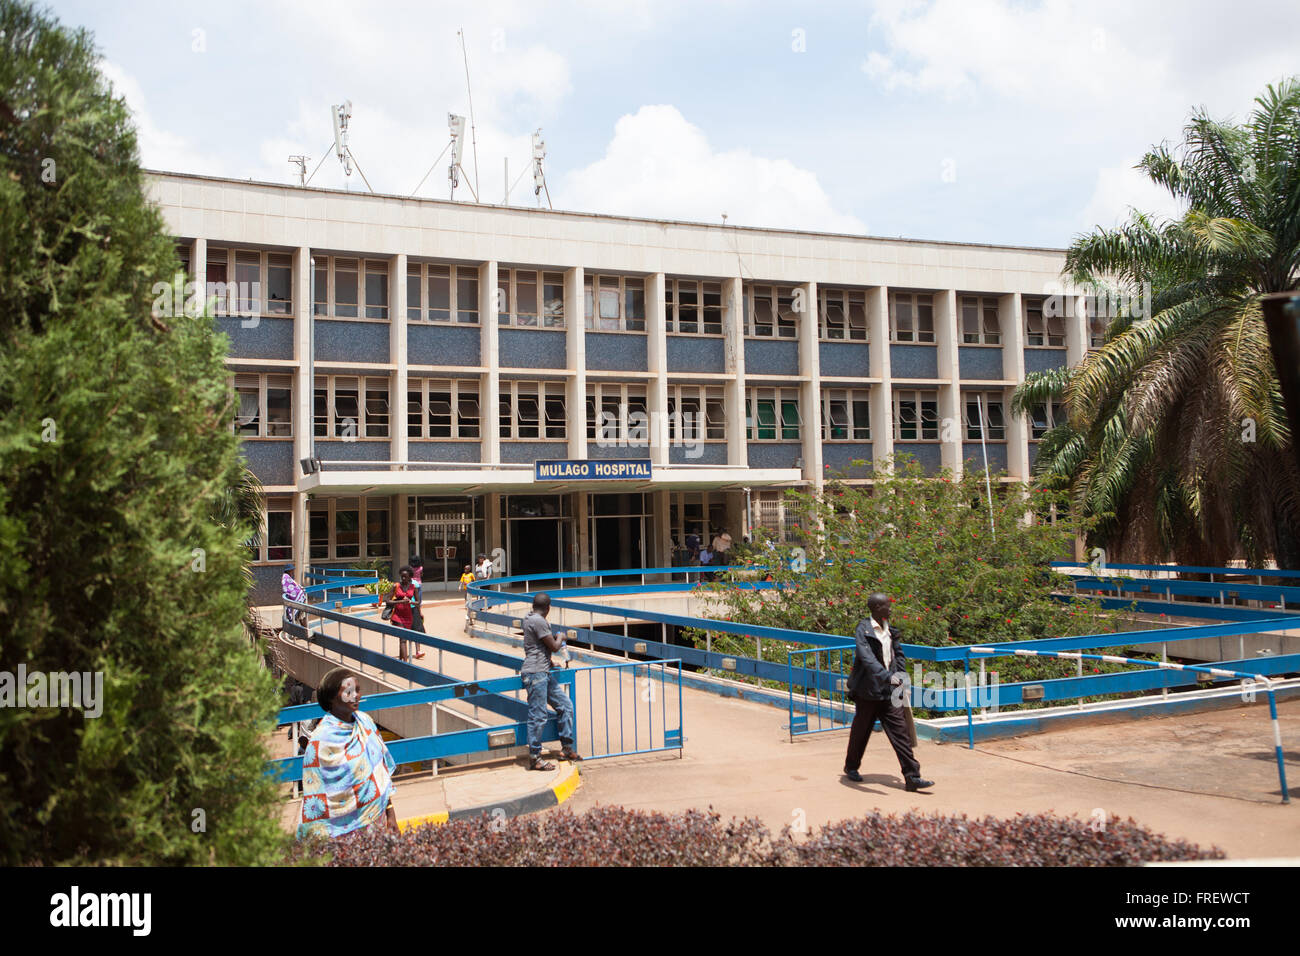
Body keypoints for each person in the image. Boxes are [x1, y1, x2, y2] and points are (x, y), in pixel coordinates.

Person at [843, 592, 934, 792]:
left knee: (900, 733)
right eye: (886, 606)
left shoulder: (890, 631)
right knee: (861, 731)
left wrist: (900, 675)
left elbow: (898, 654)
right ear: (877, 608)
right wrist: (886, 676)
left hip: (889, 691)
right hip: (868, 691)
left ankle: (912, 776)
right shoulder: (863, 629)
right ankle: (851, 766)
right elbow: (867, 659)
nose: (890, 609)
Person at [297, 667, 399, 839]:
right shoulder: (320, 742)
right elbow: (316, 796)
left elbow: (380, 774)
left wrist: (391, 814)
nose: (356, 696)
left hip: (378, 822)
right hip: (341, 836)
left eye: (357, 690)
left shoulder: (365, 723)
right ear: (331, 698)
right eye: (349, 691)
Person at [520, 593, 581, 771]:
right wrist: (561, 637)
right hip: (535, 673)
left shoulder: (529, 618)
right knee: (538, 716)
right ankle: (535, 757)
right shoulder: (538, 621)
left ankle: (566, 748)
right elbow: (554, 646)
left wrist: (550, 661)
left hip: (542, 671)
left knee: (566, 706)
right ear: (548, 608)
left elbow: (538, 646)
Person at [386, 566, 420, 662]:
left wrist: (410, 602)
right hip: (397, 615)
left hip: (408, 615)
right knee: (403, 639)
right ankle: (406, 664)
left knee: (403, 639)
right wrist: (400, 602)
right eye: (402, 577)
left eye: (406, 577)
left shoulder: (413, 587)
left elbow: (418, 602)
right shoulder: (396, 586)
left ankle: (401, 661)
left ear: (410, 577)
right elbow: (387, 600)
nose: (403, 579)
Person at [281, 563, 308, 629]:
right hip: (294, 600)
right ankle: (303, 630)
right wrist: (300, 592)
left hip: (296, 600)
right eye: (292, 570)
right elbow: (288, 588)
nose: (293, 572)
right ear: (289, 571)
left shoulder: (289, 577)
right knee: (300, 615)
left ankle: (304, 629)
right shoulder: (286, 577)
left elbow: (295, 585)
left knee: (301, 615)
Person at [409, 555, 426, 642]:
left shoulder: (410, 568)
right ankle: (419, 612)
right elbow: (421, 575)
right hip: (418, 584)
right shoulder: (421, 568)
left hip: (412, 584)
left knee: (412, 599)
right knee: (418, 600)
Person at [459, 563, 476, 631]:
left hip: (470, 589)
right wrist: (460, 586)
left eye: (467, 568)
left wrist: (470, 584)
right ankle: (466, 605)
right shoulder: (463, 575)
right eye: (465, 568)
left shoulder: (471, 574)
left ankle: (469, 605)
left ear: (469, 569)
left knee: (469, 598)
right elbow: (461, 581)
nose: (465, 570)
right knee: (465, 597)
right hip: (465, 588)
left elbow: (473, 580)